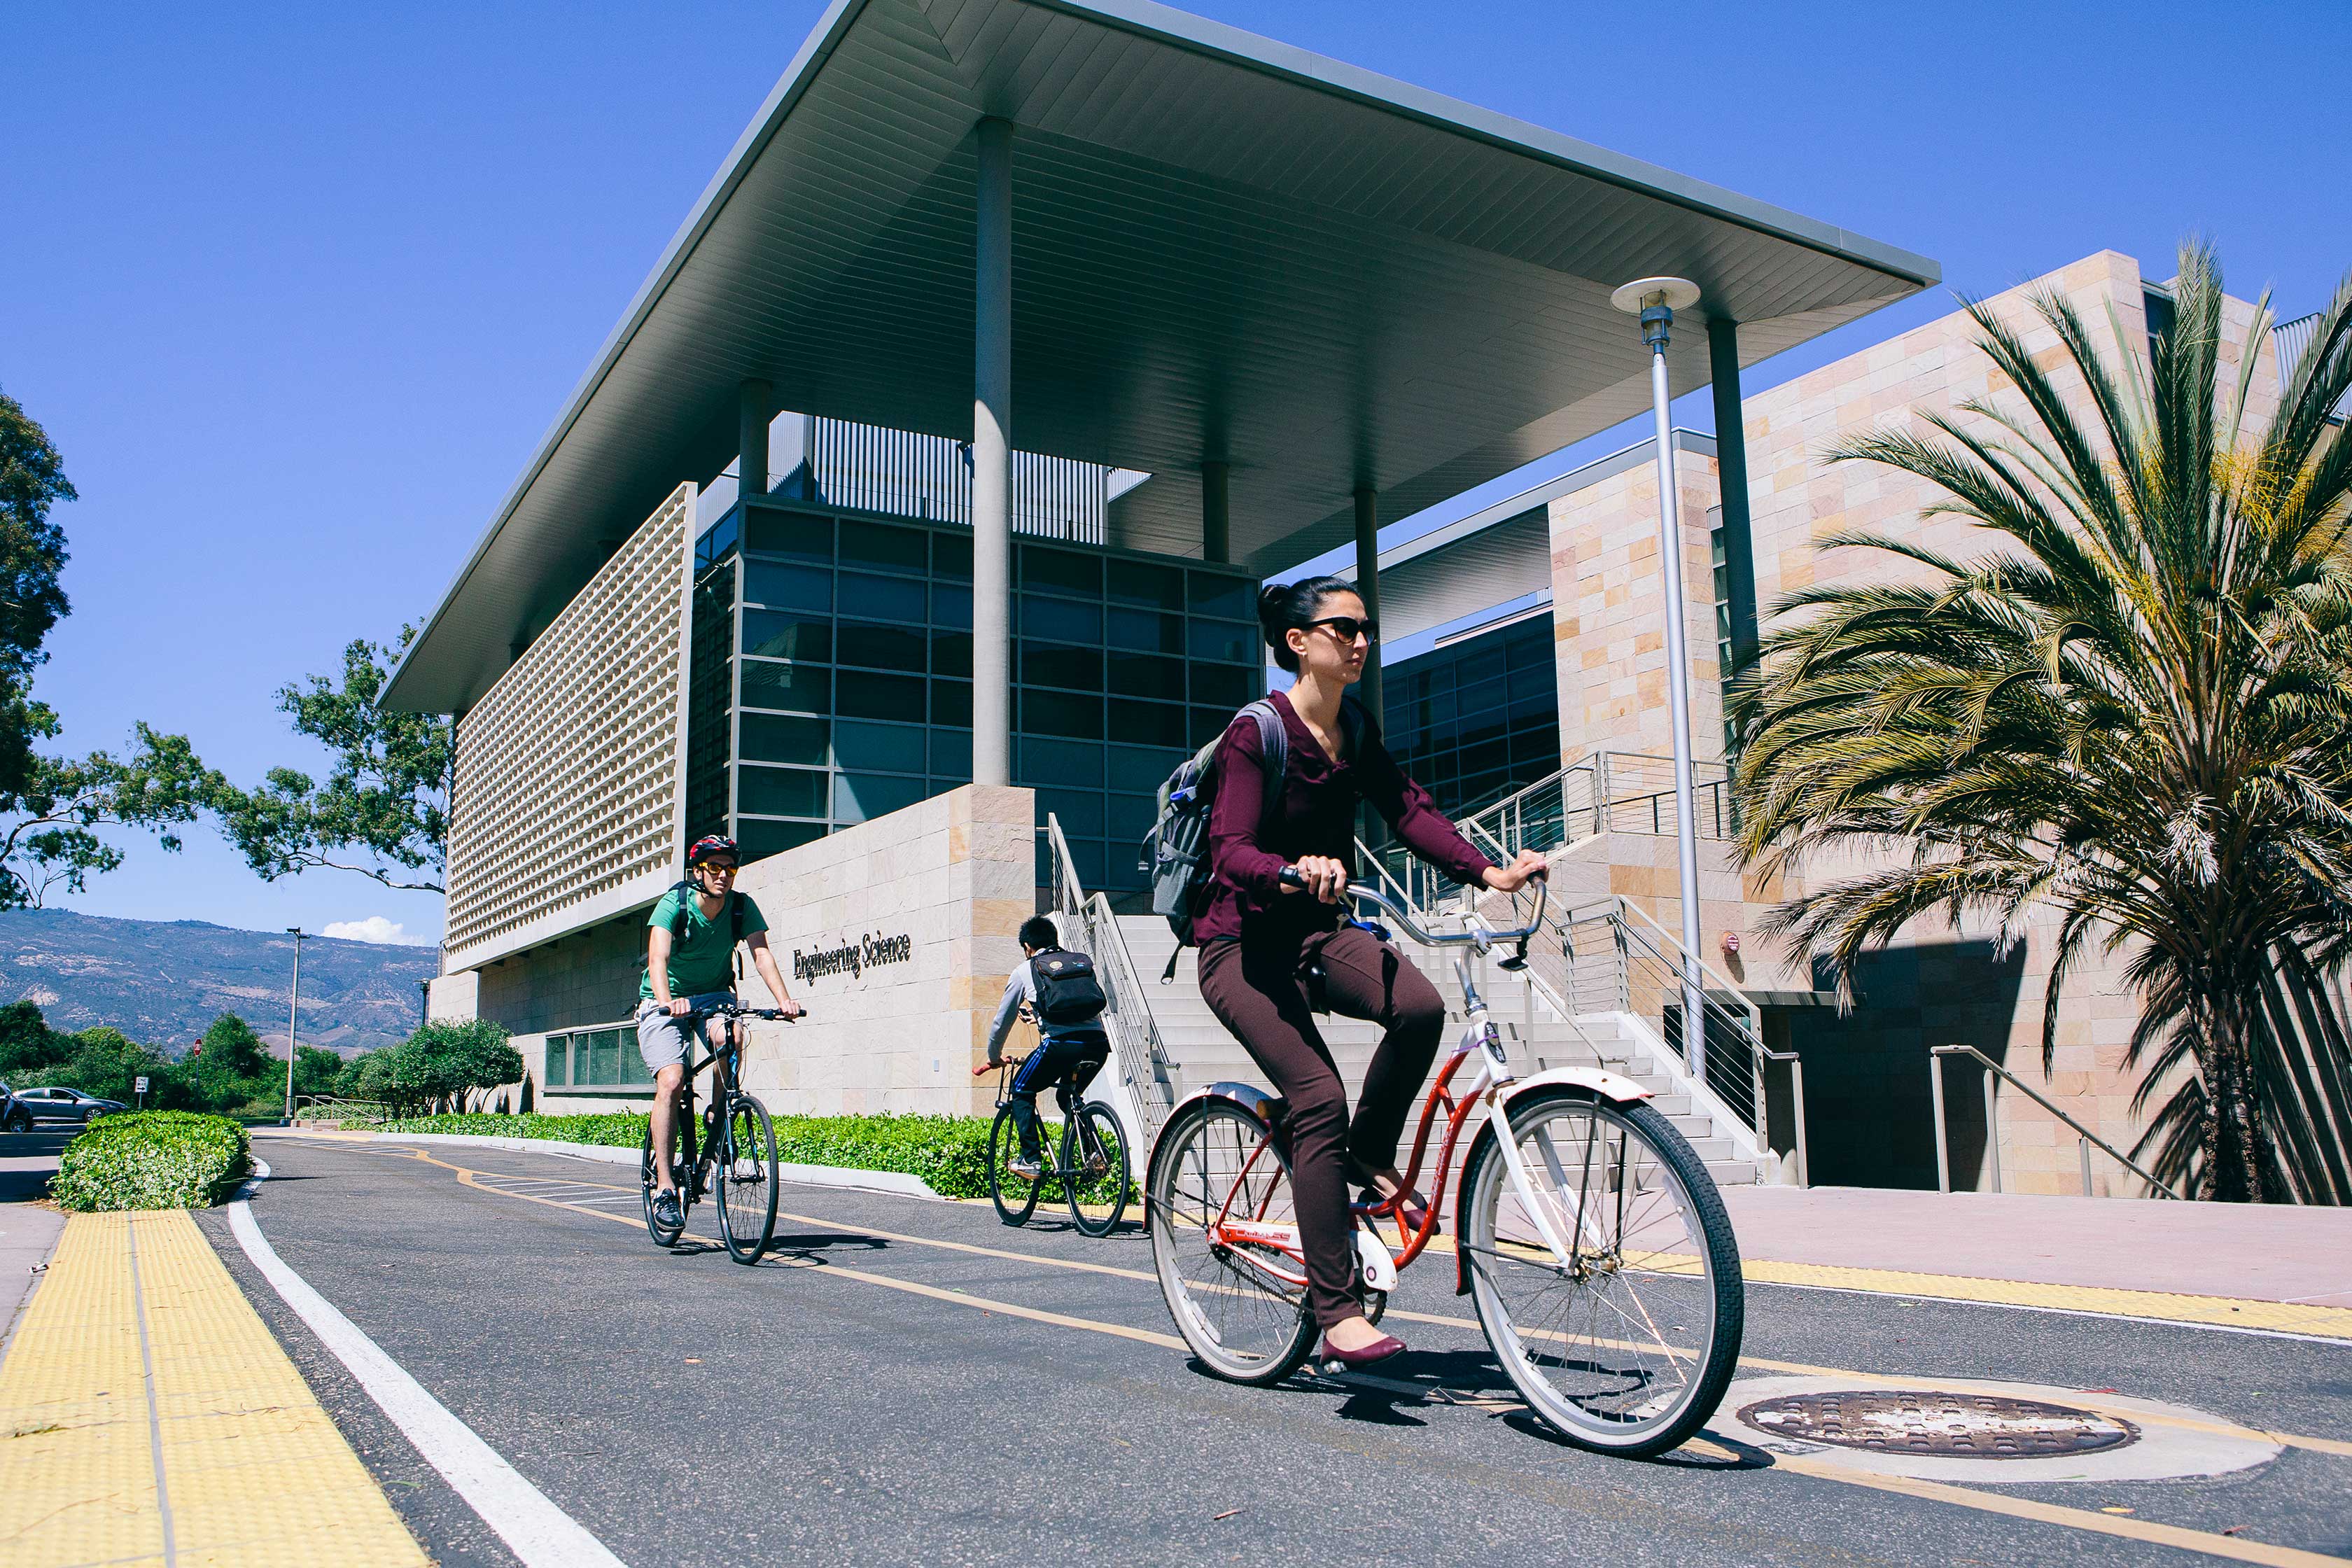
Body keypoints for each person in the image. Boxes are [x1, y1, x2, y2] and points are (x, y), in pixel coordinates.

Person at [1200, 577, 1546, 1368]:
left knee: (1420, 1007)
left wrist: (1487, 871)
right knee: (1317, 1097)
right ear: (1300, 641)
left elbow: (1409, 808)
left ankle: (1365, 1151)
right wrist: (1290, 870)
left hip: (1318, 934)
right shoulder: (1256, 733)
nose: (1361, 641)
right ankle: (1335, 1309)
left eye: (1369, 629)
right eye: (1345, 628)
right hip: (1240, 947)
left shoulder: (1354, 725)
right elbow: (1231, 849)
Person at [640, 835, 803, 1229]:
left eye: (729, 868)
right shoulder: (674, 905)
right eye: (714, 867)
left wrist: (784, 1000)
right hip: (666, 999)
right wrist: (667, 1002)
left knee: (732, 1035)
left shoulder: (741, 907)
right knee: (673, 1080)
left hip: (714, 997)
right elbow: (658, 958)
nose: (723, 875)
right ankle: (664, 1188)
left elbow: (761, 953)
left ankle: (721, 1110)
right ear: (698, 871)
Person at [984, 916, 1112, 1178]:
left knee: (1021, 1089)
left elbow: (1002, 1021)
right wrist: (1037, 1019)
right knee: (1067, 1097)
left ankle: (1031, 1159)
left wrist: (994, 1055)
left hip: (1060, 1046)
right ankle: (1096, 1152)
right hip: (1098, 1045)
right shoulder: (1079, 961)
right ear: (1055, 939)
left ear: (1028, 946)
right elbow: (1076, 1005)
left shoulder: (1025, 970)